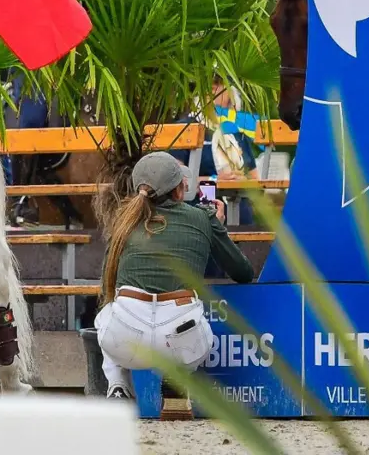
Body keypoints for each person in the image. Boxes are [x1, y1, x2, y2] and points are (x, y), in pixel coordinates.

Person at [94, 151, 254, 410]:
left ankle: (118, 386)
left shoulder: (122, 221)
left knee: (105, 314)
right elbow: (243, 272)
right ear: (179, 190)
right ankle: (178, 375)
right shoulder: (203, 218)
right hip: (181, 341)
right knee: (202, 337)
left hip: (125, 340)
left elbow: (105, 287)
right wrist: (217, 226)